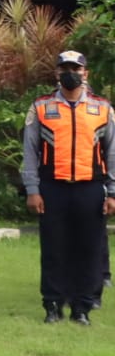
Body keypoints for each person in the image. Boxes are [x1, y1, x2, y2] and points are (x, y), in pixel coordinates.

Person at [21, 50, 115, 326]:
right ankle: (52, 304)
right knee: (54, 248)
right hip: (52, 188)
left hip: (91, 187)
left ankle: (82, 306)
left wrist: (112, 192)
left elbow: (112, 153)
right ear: (56, 73)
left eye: (76, 68)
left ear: (86, 73)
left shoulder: (102, 108)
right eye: (65, 68)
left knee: (88, 248)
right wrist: (32, 189)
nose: (70, 73)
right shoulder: (40, 107)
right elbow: (29, 152)